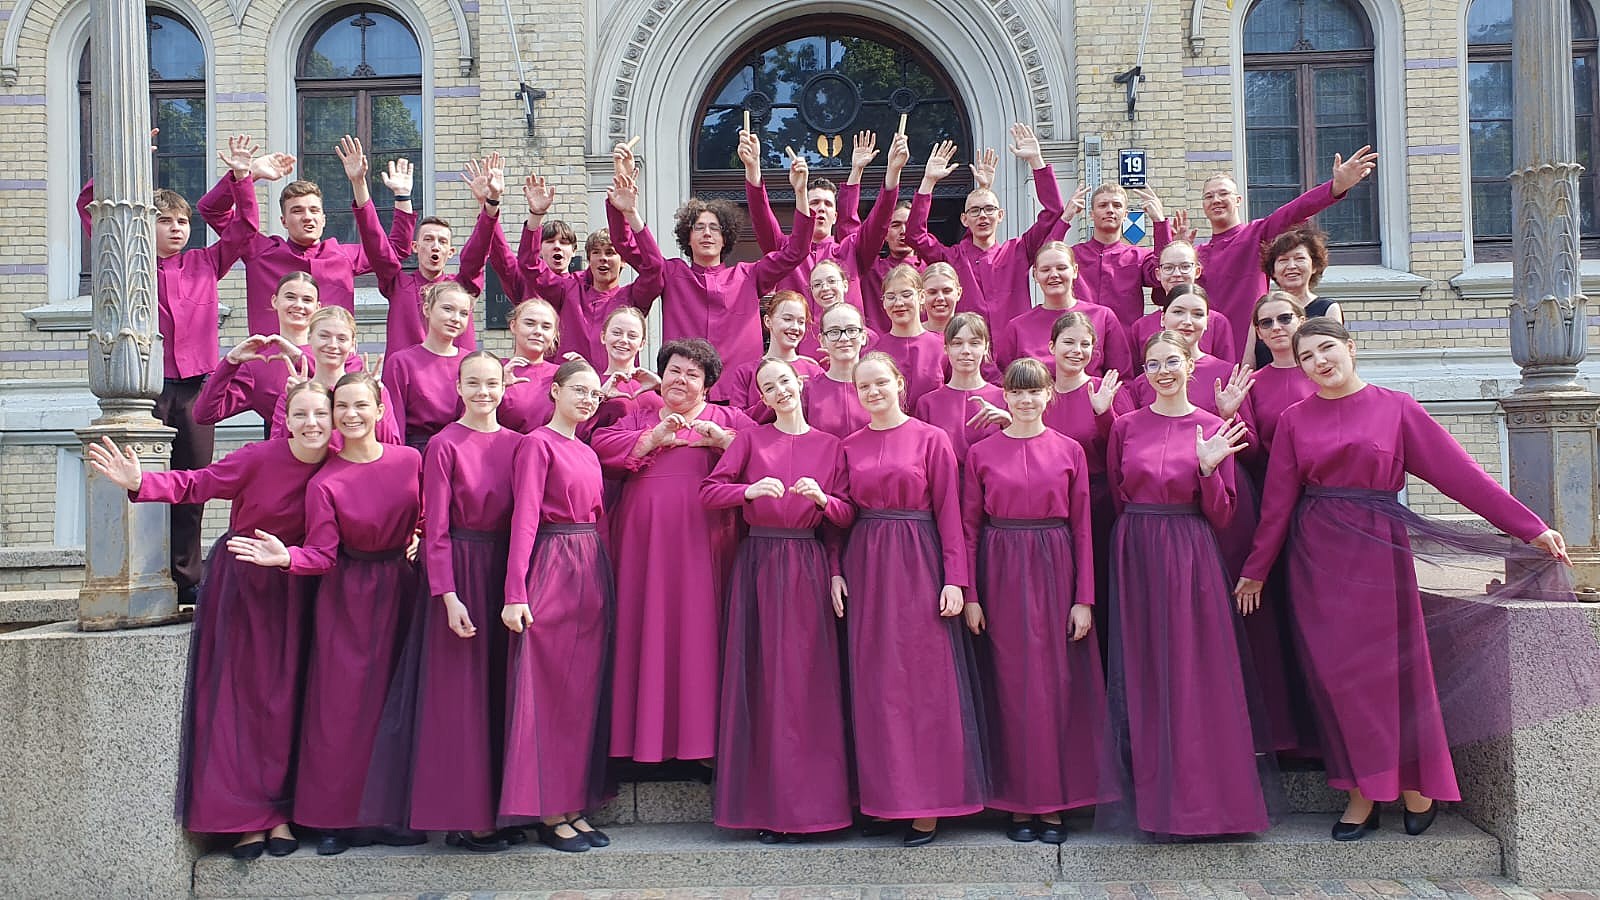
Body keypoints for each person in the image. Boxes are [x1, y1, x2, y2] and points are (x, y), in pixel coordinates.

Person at [1235, 318, 1572, 841]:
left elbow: (1461, 475)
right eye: (1307, 357)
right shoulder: (1294, 420)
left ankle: (1416, 784)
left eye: (1327, 348)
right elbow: (1277, 505)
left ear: (1351, 347)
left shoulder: (1396, 408)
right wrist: (1255, 571)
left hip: (1378, 557)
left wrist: (1530, 527)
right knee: (1337, 680)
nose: (1319, 361)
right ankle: (1360, 794)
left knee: (1389, 675)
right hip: (1315, 561)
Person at [85, 381, 333, 859]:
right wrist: (140, 482)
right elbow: (198, 483)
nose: (311, 424)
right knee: (242, 702)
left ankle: (282, 814)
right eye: (300, 414)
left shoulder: (337, 462)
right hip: (246, 589)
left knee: (289, 702)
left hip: (302, 587)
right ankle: (248, 821)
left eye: (320, 414)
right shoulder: (258, 457)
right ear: (285, 420)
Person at [227, 372, 424, 857]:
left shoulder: (410, 460)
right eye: (343, 407)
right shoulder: (325, 480)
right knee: (338, 709)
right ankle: (332, 819)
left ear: (380, 410)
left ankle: (385, 816)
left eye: (361, 405)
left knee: (393, 706)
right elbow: (322, 552)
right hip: (346, 595)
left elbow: (425, 515)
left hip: (401, 589)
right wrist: (287, 558)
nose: (352, 415)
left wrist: (418, 535)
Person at [76, 134, 265, 603]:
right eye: (165, 221)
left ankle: (188, 578)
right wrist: (123, 160)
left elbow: (245, 229)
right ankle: (142, 573)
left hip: (197, 391)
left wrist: (243, 178)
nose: (177, 229)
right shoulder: (131, 264)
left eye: (182, 221)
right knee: (138, 481)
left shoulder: (205, 262)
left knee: (192, 485)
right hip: (146, 388)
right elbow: (90, 210)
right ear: (147, 226)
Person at [1102, 332, 1268, 837]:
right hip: (1136, 551)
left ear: (1190, 365)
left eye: (1172, 361)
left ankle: (1210, 806)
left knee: (1197, 671)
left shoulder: (1213, 427)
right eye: (1153, 364)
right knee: (1146, 671)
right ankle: (1159, 806)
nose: (1164, 372)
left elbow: (1223, 514)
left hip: (1190, 552)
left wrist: (1209, 469)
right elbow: (1119, 495)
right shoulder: (1126, 426)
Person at [700, 358, 854, 843]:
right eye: (769, 387)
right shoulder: (750, 440)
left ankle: (814, 810)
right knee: (766, 683)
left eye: (784, 381)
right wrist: (747, 491)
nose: (779, 391)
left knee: (809, 684)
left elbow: (847, 516)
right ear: (762, 397)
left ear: (799, 384)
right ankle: (769, 810)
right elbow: (709, 492)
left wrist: (823, 501)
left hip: (807, 566)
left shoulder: (831, 445)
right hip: (760, 566)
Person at [839, 352, 985, 846]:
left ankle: (927, 804)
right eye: (864, 386)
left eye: (881, 382)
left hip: (920, 563)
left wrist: (955, 580)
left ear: (899, 383)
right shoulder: (849, 445)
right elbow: (842, 514)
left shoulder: (931, 438)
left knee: (924, 683)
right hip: (867, 567)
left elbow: (950, 512)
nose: (873, 392)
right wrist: (836, 570)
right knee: (876, 684)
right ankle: (886, 800)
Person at [963, 358, 1108, 843]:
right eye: (1017, 392)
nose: (1026, 400)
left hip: (1055, 568)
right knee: (1008, 685)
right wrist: (971, 594)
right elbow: (969, 527)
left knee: (1056, 685)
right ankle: (1017, 805)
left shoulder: (1070, 450)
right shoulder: (981, 453)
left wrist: (1084, 598)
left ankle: (1053, 805)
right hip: (1000, 569)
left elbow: (1083, 526)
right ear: (1005, 395)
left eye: (1034, 391)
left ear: (1050, 395)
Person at [590, 339, 754, 766]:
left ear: (708, 385)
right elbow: (601, 446)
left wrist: (723, 441)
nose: (680, 380)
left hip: (706, 540)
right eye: (674, 371)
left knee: (701, 631)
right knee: (645, 628)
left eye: (692, 375)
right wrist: (653, 439)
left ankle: (704, 743)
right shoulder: (638, 416)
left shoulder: (727, 418)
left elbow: (764, 452)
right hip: (643, 545)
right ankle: (640, 740)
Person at [393, 350, 523, 851]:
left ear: (503, 388)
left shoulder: (518, 444)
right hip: (461, 572)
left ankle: (504, 808)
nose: (484, 392)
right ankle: (466, 816)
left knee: (502, 691)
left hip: (505, 570)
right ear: (460, 388)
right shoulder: (444, 444)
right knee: (461, 696)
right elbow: (437, 529)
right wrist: (447, 595)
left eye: (492, 383)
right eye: (474, 383)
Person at [501, 359, 616, 853]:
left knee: (580, 695)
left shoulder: (588, 452)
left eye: (595, 394)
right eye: (580, 390)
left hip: (590, 567)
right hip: (551, 563)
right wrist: (515, 592)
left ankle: (572, 805)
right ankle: (548, 812)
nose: (588, 400)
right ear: (556, 391)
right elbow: (525, 517)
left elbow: (601, 518)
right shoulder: (536, 444)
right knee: (546, 690)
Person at [1153, 147, 1377, 358]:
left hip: (1251, 351)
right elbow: (1163, 297)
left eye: (1223, 193)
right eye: (1209, 196)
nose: (1216, 200)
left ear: (1238, 200)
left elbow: (1294, 211)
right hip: (1207, 355)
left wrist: (1335, 188)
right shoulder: (1197, 256)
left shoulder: (1256, 235)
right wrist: (1178, 253)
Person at [199, 137, 416, 337]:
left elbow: (396, 251)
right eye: (297, 211)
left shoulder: (344, 256)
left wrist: (376, 189)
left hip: (333, 361)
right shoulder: (259, 251)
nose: (307, 217)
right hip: (274, 361)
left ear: (323, 219)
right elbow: (212, 210)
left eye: (314, 210)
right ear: (284, 221)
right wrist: (249, 175)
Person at [635, 147, 815, 369]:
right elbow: (637, 252)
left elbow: (796, 251)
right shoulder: (671, 273)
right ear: (687, 237)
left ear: (725, 238)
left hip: (740, 384)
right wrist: (628, 212)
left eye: (715, 228)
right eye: (699, 227)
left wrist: (800, 192)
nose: (707, 234)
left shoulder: (748, 275)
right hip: (686, 383)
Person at [904, 127, 1075, 326]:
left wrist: (1036, 161)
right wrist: (928, 181)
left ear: (1000, 215)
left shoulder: (1018, 251)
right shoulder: (952, 258)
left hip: (1014, 344)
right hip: (969, 344)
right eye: (975, 211)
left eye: (989, 209)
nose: (983, 215)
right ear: (964, 219)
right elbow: (914, 235)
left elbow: (1053, 212)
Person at [341, 135, 487, 355]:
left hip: (455, 375)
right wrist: (360, 184)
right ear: (415, 247)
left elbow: (479, 251)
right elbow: (376, 244)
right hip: (406, 374)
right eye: (428, 239)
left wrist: (488, 205)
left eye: (442, 241)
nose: (435, 246)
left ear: (450, 252)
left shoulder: (460, 286)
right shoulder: (399, 284)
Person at [740, 130, 907, 320]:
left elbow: (879, 221)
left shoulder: (852, 249)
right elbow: (761, 217)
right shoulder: (784, 249)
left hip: (845, 337)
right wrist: (752, 168)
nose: (820, 208)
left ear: (835, 216)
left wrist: (894, 171)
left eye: (827, 204)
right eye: (814, 203)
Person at [1041, 311, 1131, 645]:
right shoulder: (1037, 395)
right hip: (1051, 507)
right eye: (1069, 342)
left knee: (1100, 586)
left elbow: (1123, 452)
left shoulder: (1107, 390)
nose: (1077, 351)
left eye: (1085, 344)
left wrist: (1104, 413)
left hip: (1098, 504)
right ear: (1052, 346)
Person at [516, 165, 664, 367]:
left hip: (617, 383)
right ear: (588, 259)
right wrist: (536, 215)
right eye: (596, 253)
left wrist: (629, 213)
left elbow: (654, 268)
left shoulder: (632, 297)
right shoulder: (569, 290)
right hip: (571, 383)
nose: (603, 258)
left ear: (624, 260)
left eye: (610, 253)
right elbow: (529, 264)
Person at [193, 272, 329, 440]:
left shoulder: (333, 353)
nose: (298, 305)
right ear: (275, 301)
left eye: (307, 299)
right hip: (283, 451)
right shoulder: (259, 363)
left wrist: (299, 357)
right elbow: (205, 414)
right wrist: (230, 362)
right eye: (290, 297)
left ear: (318, 307)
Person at [264, 307, 401, 448]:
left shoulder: (373, 391)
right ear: (309, 338)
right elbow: (276, 448)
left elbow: (393, 445)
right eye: (324, 336)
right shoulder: (292, 393)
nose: (332, 345)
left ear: (352, 344)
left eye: (341, 339)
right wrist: (298, 400)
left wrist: (372, 400)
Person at [994, 241, 1131, 376]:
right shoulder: (1017, 327)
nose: (1054, 274)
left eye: (1061, 268)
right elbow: (1003, 380)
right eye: (1045, 270)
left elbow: (1122, 378)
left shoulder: (1102, 317)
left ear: (1075, 271)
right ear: (1035, 275)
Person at [381, 282, 472, 451]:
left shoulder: (471, 363)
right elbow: (394, 422)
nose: (456, 318)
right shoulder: (401, 363)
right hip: (417, 453)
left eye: (464, 313)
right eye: (448, 309)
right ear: (427, 309)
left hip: (461, 451)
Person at [913, 312, 1007, 466]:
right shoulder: (927, 404)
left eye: (974, 343)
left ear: (986, 347)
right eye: (957, 343)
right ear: (946, 348)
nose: (966, 351)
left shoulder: (1003, 399)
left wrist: (1008, 423)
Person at [1071, 185, 1172, 326]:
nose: (1110, 210)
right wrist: (1065, 218)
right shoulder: (1072, 256)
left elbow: (1164, 273)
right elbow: (1044, 259)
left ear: (1125, 215)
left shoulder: (1139, 257)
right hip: (1080, 336)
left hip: (1125, 338)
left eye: (1117, 205)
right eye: (1103, 205)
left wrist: (1159, 222)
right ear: (1091, 214)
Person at [712, 291, 826, 417]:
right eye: (787, 319)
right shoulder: (746, 372)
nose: (795, 327)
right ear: (768, 321)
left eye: (801, 321)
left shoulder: (815, 372)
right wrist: (779, 398)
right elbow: (737, 420)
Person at [1251, 227, 1343, 368]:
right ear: (1273, 271)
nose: (1291, 266)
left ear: (1314, 266)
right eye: (1283, 260)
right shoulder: (1262, 311)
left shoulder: (1328, 309)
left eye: (1299, 258)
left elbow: (1336, 359)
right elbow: (1249, 364)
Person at [1129, 244, 1236, 362]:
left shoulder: (1217, 322)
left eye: (1185, 267)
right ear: (1158, 274)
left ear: (1197, 271)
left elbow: (1226, 369)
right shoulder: (1140, 327)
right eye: (1168, 268)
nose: (1176, 274)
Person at [874, 264, 946, 406]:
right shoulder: (876, 352)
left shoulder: (942, 347)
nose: (899, 303)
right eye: (891, 297)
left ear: (921, 296)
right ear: (884, 303)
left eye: (906, 295)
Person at [804, 303, 873, 439]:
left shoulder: (880, 387)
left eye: (851, 330)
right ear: (822, 340)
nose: (844, 338)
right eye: (834, 332)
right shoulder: (808, 391)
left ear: (863, 337)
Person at [495, 298, 563, 434]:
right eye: (530, 323)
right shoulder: (494, 370)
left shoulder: (562, 376)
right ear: (513, 326)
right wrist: (496, 385)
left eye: (546, 327)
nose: (538, 331)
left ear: (554, 333)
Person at [863, 199, 922, 335]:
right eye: (895, 225)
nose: (903, 231)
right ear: (884, 234)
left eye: (909, 224)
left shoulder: (930, 269)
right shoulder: (871, 268)